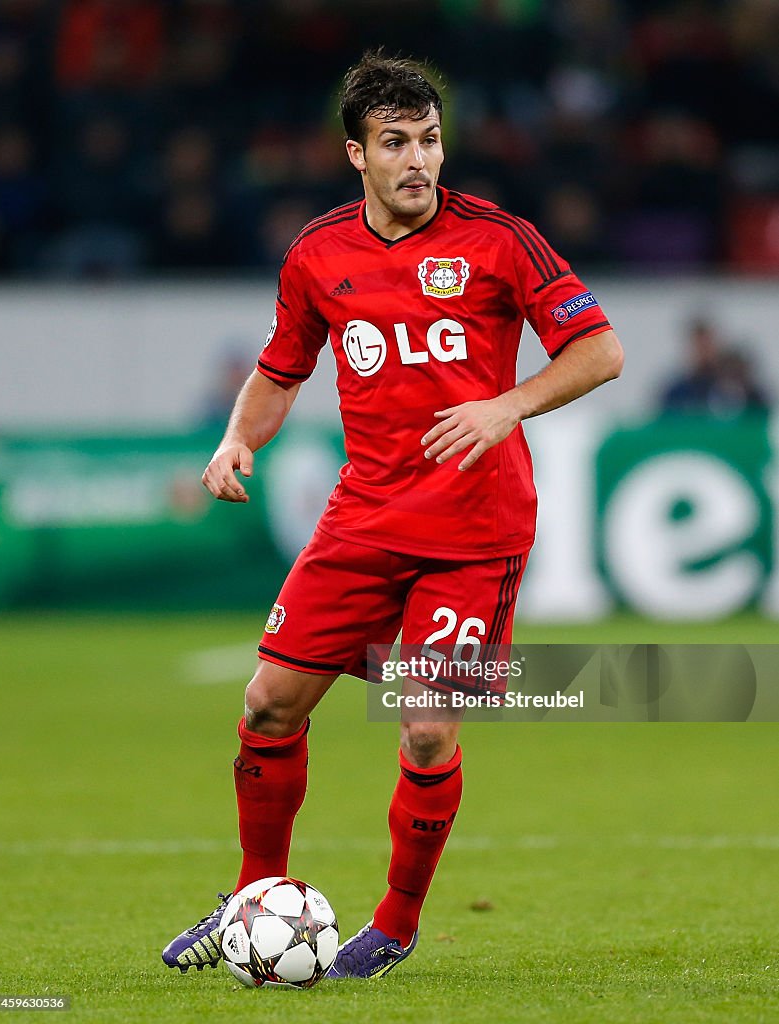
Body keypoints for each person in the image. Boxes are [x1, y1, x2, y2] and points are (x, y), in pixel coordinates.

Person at [162, 50, 623, 980]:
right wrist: (235, 438)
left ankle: (396, 921)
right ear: (356, 155)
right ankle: (256, 899)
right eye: (396, 143)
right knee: (267, 705)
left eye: (430, 141)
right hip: (363, 520)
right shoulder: (317, 252)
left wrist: (507, 405)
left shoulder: (500, 240)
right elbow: (282, 365)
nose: (419, 161)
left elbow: (601, 351)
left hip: (473, 529)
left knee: (421, 725)